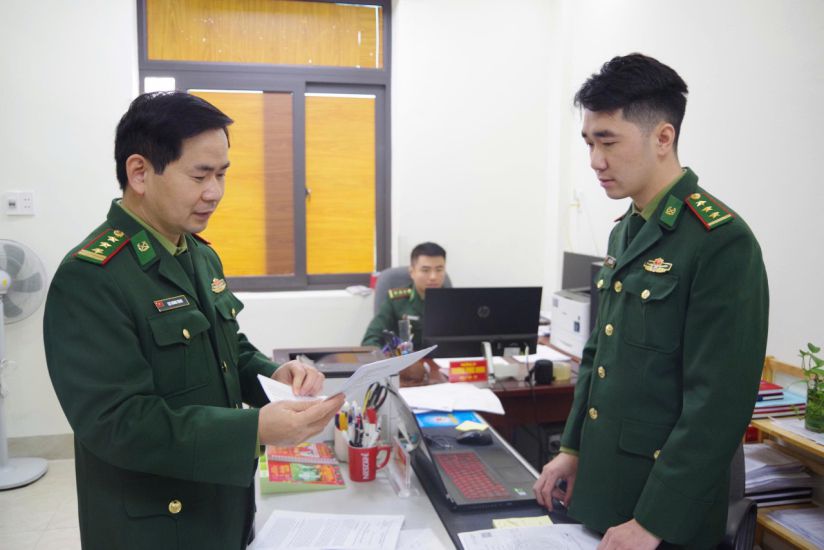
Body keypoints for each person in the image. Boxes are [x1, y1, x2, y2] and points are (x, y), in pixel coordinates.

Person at [43, 91, 345, 550]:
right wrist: (254, 430)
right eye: (200, 175)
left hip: (222, 506)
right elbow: (117, 423)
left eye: (222, 174)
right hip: (155, 524)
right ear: (140, 172)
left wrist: (273, 375)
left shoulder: (199, 254)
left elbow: (228, 351)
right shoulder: (91, 277)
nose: (215, 193)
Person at [533, 54, 768, 549]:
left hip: (665, 518)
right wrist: (572, 448)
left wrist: (655, 522)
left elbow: (717, 405)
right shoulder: (629, 230)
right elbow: (600, 355)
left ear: (663, 138)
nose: (596, 161)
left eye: (609, 142)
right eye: (589, 143)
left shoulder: (719, 241)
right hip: (605, 493)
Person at [361, 241, 447, 351]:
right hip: (405, 363)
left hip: (443, 364)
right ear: (412, 272)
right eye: (425, 270)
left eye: (439, 269)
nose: (433, 277)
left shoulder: (453, 301)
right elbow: (370, 340)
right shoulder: (396, 300)